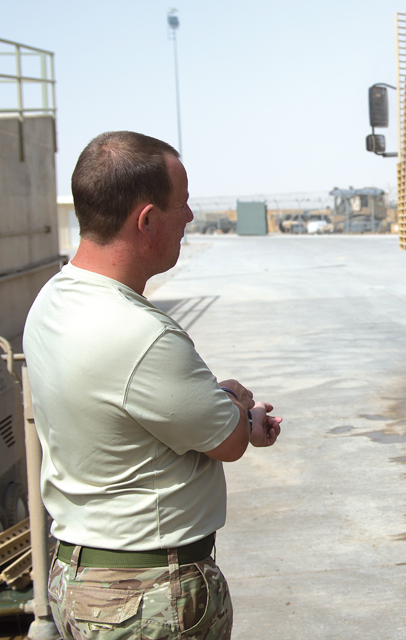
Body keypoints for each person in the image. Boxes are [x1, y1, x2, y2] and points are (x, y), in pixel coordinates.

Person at [23, 131, 282, 639]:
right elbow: (228, 442)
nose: (188, 218)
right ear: (146, 221)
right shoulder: (141, 335)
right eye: (181, 206)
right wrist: (234, 403)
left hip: (79, 579)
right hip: (145, 598)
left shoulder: (52, 301)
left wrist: (220, 406)